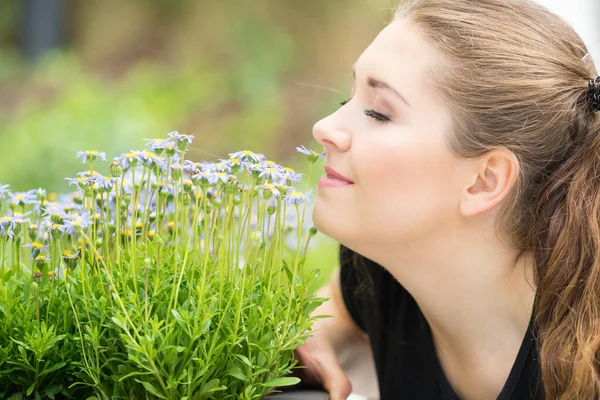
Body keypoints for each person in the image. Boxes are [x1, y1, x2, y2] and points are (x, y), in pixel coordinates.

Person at [292, 0, 600, 399]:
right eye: (346, 100)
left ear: (484, 181)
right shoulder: (380, 274)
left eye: (378, 114)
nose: (325, 128)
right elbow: (338, 303)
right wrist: (310, 330)